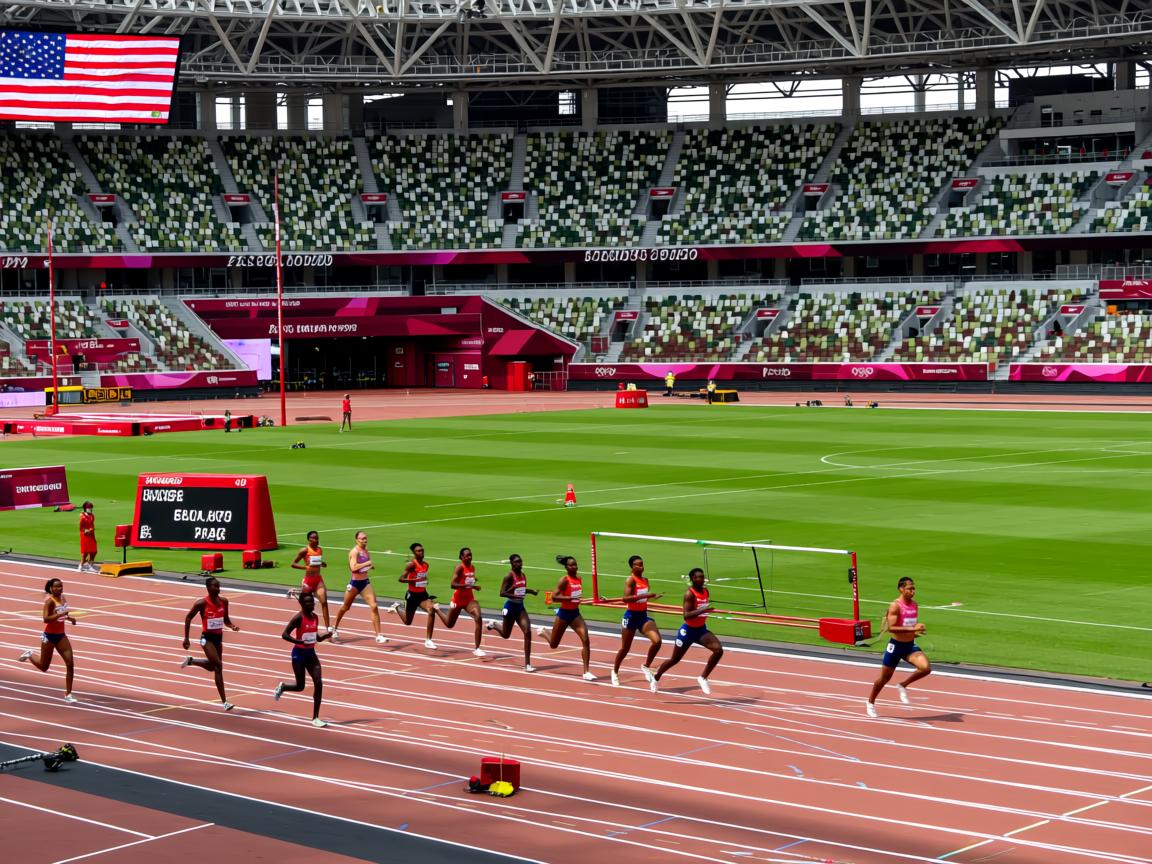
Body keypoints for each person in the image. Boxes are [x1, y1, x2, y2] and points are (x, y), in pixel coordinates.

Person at [650, 568, 723, 695]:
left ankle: (703, 678)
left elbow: (702, 606)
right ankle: (656, 677)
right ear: (693, 579)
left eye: (702, 577)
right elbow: (686, 615)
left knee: (718, 650)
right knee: (675, 659)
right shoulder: (689, 594)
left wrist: (705, 610)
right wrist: (704, 610)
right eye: (698, 577)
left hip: (701, 630)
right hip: (688, 632)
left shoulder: (705, 591)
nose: (701, 579)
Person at [866, 577, 931, 718]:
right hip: (895, 647)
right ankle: (870, 702)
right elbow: (892, 628)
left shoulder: (915, 605)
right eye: (909, 588)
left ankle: (903, 685)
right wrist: (913, 628)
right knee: (884, 679)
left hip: (909, 646)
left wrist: (918, 629)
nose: (913, 591)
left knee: (926, 668)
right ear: (901, 589)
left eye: (914, 588)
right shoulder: (895, 606)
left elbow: (910, 624)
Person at [180, 576, 240, 710]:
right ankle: (225, 702)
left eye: (219, 586)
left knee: (214, 667)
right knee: (218, 666)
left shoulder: (224, 602)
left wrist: (232, 626)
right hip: (206, 639)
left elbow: (226, 620)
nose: (218, 588)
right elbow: (188, 617)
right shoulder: (201, 603)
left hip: (218, 639)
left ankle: (191, 661)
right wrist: (186, 638)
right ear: (208, 588)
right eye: (215, 586)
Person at [274, 591, 331, 727]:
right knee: (300, 686)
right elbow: (284, 634)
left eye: (312, 601)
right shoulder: (298, 618)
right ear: (302, 604)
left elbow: (315, 637)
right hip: (298, 655)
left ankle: (315, 717)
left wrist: (325, 636)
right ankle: (283, 687)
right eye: (308, 602)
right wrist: (298, 641)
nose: (312, 604)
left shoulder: (315, 617)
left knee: (318, 682)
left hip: (311, 654)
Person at [534, 555, 596, 682]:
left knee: (586, 640)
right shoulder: (564, 580)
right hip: (563, 614)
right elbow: (554, 597)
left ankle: (586, 672)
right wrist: (570, 599)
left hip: (575, 614)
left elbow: (579, 599)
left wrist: (594, 600)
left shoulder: (579, 579)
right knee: (553, 644)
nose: (574, 567)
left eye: (575, 564)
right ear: (566, 567)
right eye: (571, 565)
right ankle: (545, 632)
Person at [18, 578, 78, 703]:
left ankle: (68, 694)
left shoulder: (63, 598)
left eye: (60, 586)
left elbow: (64, 613)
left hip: (61, 636)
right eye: (56, 587)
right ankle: (30, 654)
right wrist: (60, 615)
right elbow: (45, 619)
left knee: (70, 663)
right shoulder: (50, 602)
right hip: (49, 636)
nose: (59, 589)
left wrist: (70, 618)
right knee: (44, 667)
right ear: (51, 588)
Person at [611, 555, 663, 687]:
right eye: (638, 565)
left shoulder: (645, 580)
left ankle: (646, 666)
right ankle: (615, 671)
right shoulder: (631, 580)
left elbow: (643, 598)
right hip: (631, 617)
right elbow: (626, 599)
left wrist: (653, 596)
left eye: (642, 564)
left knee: (657, 641)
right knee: (625, 648)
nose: (641, 567)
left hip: (643, 616)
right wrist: (645, 595)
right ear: (632, 567)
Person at [387, 542, 450, 649]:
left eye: (422, 550)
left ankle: (428, 640)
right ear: (414, 553)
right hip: (412, 596)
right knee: (408, 622)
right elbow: (401, 579)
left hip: (422, 595)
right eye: (418, 551)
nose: (421, 552)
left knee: (431, 611)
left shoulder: (426, 565)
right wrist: (413, 580)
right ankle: (397, 606)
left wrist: (424, 581)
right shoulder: (411, 565)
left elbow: (422, 577)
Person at [331, 531, 388, 644]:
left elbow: (365, 565)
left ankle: (378, 635)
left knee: (374, 606)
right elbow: (353, 567)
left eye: (365, 538)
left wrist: (369, 566)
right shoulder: (354, 552)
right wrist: (367, 564)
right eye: (362, 538)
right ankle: (334, 627)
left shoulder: (366, 551)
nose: (364, 540)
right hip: (355, 584)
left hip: (365, 583)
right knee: (345, 607)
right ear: (357, 540)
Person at [486, 553, 538, 671]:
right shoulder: (509, 576)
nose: (519, 564)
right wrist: (513, 590)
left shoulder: (523, 575)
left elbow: (522, 589)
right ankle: (495, 624)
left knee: (527, 632)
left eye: (520, 561)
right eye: (516, 562)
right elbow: (502, 593)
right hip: (510, 607)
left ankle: (527, 664)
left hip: (520, 608)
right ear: (511, 564)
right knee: (505, 635)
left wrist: (531, 591)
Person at [443, 546, 485, 657]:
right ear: (462, 557)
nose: (469, 557)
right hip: (458, 600)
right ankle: (436, 609)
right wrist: (469, 585)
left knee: (478, 617)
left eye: (470, 555)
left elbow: (468, 580)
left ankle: (477, 648)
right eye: (467, 556)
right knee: (449, 624)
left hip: (469, 600)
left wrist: (473, 583)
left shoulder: (472, 567)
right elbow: (452, 585)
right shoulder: (459, 568)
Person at [289, 530, 332, 634]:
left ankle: (328, 628)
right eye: (314, 538)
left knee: (324, 602)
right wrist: (305, 567)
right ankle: (301, 624)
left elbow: (317, 562)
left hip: (318, 580)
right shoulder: (304, 550)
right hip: (308, 580)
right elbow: (293, 564)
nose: (316, 540)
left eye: (317, 538)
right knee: (305, 606)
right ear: (309, 539)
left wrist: (322, 564)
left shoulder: (320, 550)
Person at [78, 501, 97, 572]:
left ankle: (90, 565)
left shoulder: (92, 516)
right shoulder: (82, 517)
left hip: (91, 534)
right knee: (85, 552)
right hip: (85, 535)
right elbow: (81, 527)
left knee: (94, 551)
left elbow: (92, 525)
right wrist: (85, 530)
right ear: (85, 508)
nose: (90, 509)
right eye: (89, 508)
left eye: (91, 508)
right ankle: (81, 565)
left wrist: (92, 529)